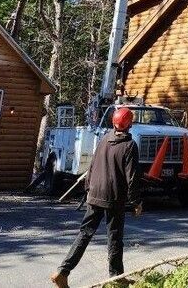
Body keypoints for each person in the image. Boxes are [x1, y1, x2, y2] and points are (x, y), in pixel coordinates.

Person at [51, 107, 142, 287]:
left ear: (114, 122)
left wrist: (88, 190)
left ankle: (62, 272)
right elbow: (132, 177)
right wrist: (136, 202)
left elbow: (92, 167)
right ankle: (116, 279)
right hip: (114, 198)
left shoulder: (104, 139)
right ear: (129, 124)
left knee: (84, 233)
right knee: (115, 237)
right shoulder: (129, 145)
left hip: (94, 194)